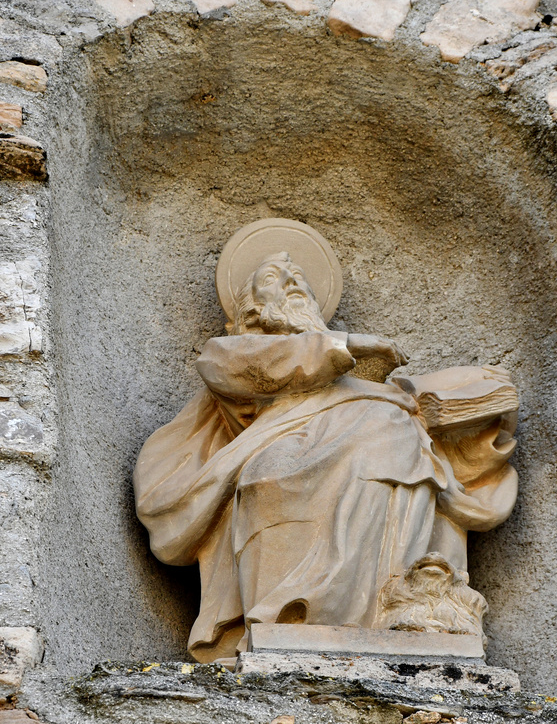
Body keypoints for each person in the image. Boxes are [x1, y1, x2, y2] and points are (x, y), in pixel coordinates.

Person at [134, 253, 518, 662]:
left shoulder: (362, 383)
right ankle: (288, 616)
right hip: (283, 461)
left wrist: (471, 401)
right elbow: (245, 365)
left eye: (298, 275)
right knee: (278, 472)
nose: (291, 280)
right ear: (249, 307)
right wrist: (344, 345)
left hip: (378, 453)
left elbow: (433, 402)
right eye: (273, 276)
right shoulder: (236, 353)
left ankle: (392, 611)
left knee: (397, 437)